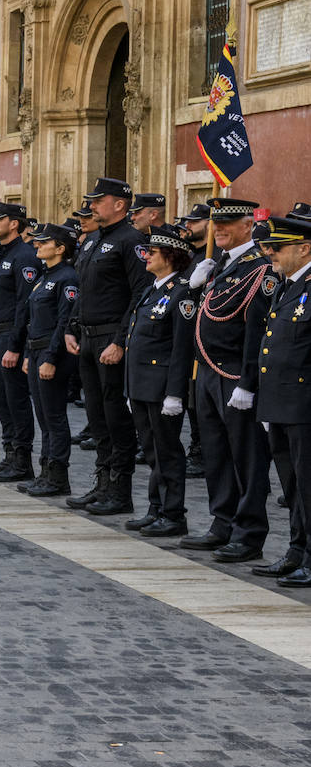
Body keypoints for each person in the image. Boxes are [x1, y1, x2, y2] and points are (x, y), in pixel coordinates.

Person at [179, 197, 276, 563]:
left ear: (248, 226)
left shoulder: (259, 269)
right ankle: (223, 521)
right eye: (216, 225)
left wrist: (248, 382)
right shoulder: (219, 266)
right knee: (216, 455)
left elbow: (257, 333)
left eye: (227, 225)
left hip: (234, 375)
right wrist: (193, 285)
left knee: (247, 459)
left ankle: (249, 532)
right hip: (206, 373)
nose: (218, 231)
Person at [63, 177, 147, 515]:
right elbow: (82, 289)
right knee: (96, 416)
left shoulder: (133, 241)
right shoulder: (92, 241)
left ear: (120, 204)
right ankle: (102, 482)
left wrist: (120, 340)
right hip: (86, 337)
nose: (92, 206)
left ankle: (120, 490)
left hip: (111, 338)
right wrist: (71, 327)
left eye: (99, 200)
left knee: (116, 418)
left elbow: (140, 294)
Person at [121, 224, 196, 537]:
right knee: (152, 451)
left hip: (161, 387)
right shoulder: (152, 290)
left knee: (167, 452)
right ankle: (157, 508)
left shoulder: (180, 293)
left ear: (170, 255)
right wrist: (130, 386)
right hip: (141, 385)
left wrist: (175, 394)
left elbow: (181, 348)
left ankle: (173, 513)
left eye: (152, 252)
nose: (146, 256)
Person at [253, 215, 311, 586]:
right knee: (291, 484)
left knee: (308, 483)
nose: (270, 253)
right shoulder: (288, 286)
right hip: (281, 401)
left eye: (279, 247)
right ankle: (296, 548)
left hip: (304, 402)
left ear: (304, 248)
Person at [17, 223, 80, 497]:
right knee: (42, 416)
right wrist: (30, 354)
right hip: (37, 350)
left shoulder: (67, 278)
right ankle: (44, 471)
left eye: (44, 243)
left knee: (54, 416)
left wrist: (51, 357)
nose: (37, 246)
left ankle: (57, 476)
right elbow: (35, 320)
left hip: (53, 353)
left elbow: (63, 323)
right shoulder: (45, 276)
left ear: (60, 248)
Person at [0, 202, 38, 482]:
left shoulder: (24, 256)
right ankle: (9, 454)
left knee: (16, 400)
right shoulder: (1, 255)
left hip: (9, 337)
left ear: (14, 223)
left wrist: (15, 346)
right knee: (1, 398)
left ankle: (22, 460)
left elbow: (23, 305)